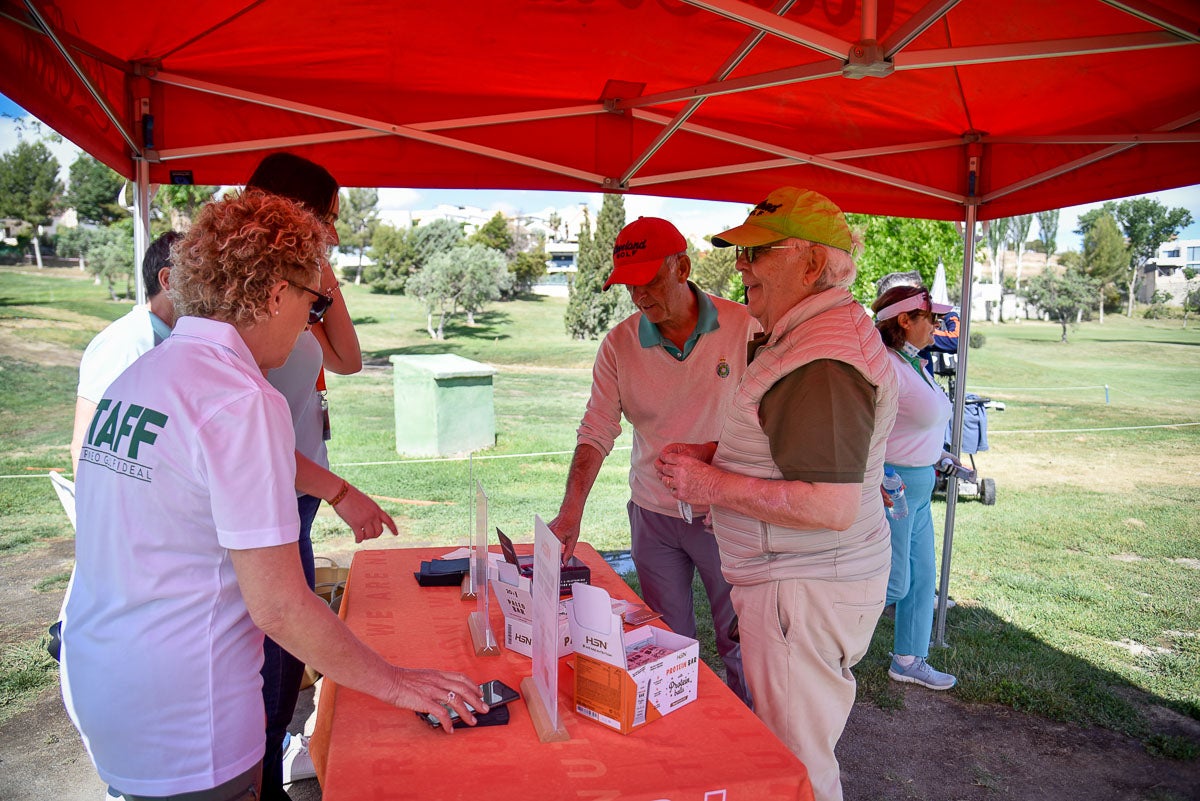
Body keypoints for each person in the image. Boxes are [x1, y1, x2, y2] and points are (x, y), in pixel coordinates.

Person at [60, 189, 486, 801]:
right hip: (187, 715)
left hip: (109, 682)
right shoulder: (242, 398)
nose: (311, 322)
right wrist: (396, 682)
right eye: (314, 304)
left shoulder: (141, 377)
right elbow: (280, 605)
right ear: (277, 291)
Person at [656, 187, 898, 801]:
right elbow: (793, 451)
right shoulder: (808, 334)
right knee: (788, 750)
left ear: (812, 265)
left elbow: (830, 504)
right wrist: (720, 456)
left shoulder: (823, 359)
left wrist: (710, 483)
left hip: (805, 589)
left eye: (759, 253)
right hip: (800, 585)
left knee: (798, 768)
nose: (741, 267)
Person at [548, 217, 755, 705]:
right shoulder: (618, 345)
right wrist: (571, 510)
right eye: (628, 285)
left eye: (648, 281)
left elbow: (771, 423)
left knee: (741, 639)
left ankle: (751, 737)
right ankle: (682, 737)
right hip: (653, 516)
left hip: (727, 512)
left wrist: (713, 461)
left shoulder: (744, 328)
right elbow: (596, 429)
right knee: (666, 640)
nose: (638, 297)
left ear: (682, 267)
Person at [244, 151, 393, 800]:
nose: (334, 231)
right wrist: (337, 490)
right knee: (267, 665)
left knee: (281, 674)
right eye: (327, 217)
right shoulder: (247, 298)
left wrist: (319, 275)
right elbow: (246, 434)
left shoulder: (299, 289)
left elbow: (350, 358)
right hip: (261, 501)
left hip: (297, 498)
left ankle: (266, 776)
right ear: (292, 209)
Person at [872, 284, 959, 690]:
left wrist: (939, 455)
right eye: (932, 319)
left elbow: (916, 423)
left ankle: (908, 658)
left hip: (922, 482)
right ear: (905, 321)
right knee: (895, 581)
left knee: (923, 578)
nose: (938, 326)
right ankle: (825, 645)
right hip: (896, 484)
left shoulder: (913, 362)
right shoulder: (886, 366)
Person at [69, 231, 180, 474]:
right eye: (198, 278)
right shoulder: (124, 342)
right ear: (168, 280)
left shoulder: (171, 340)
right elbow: (84, 445)